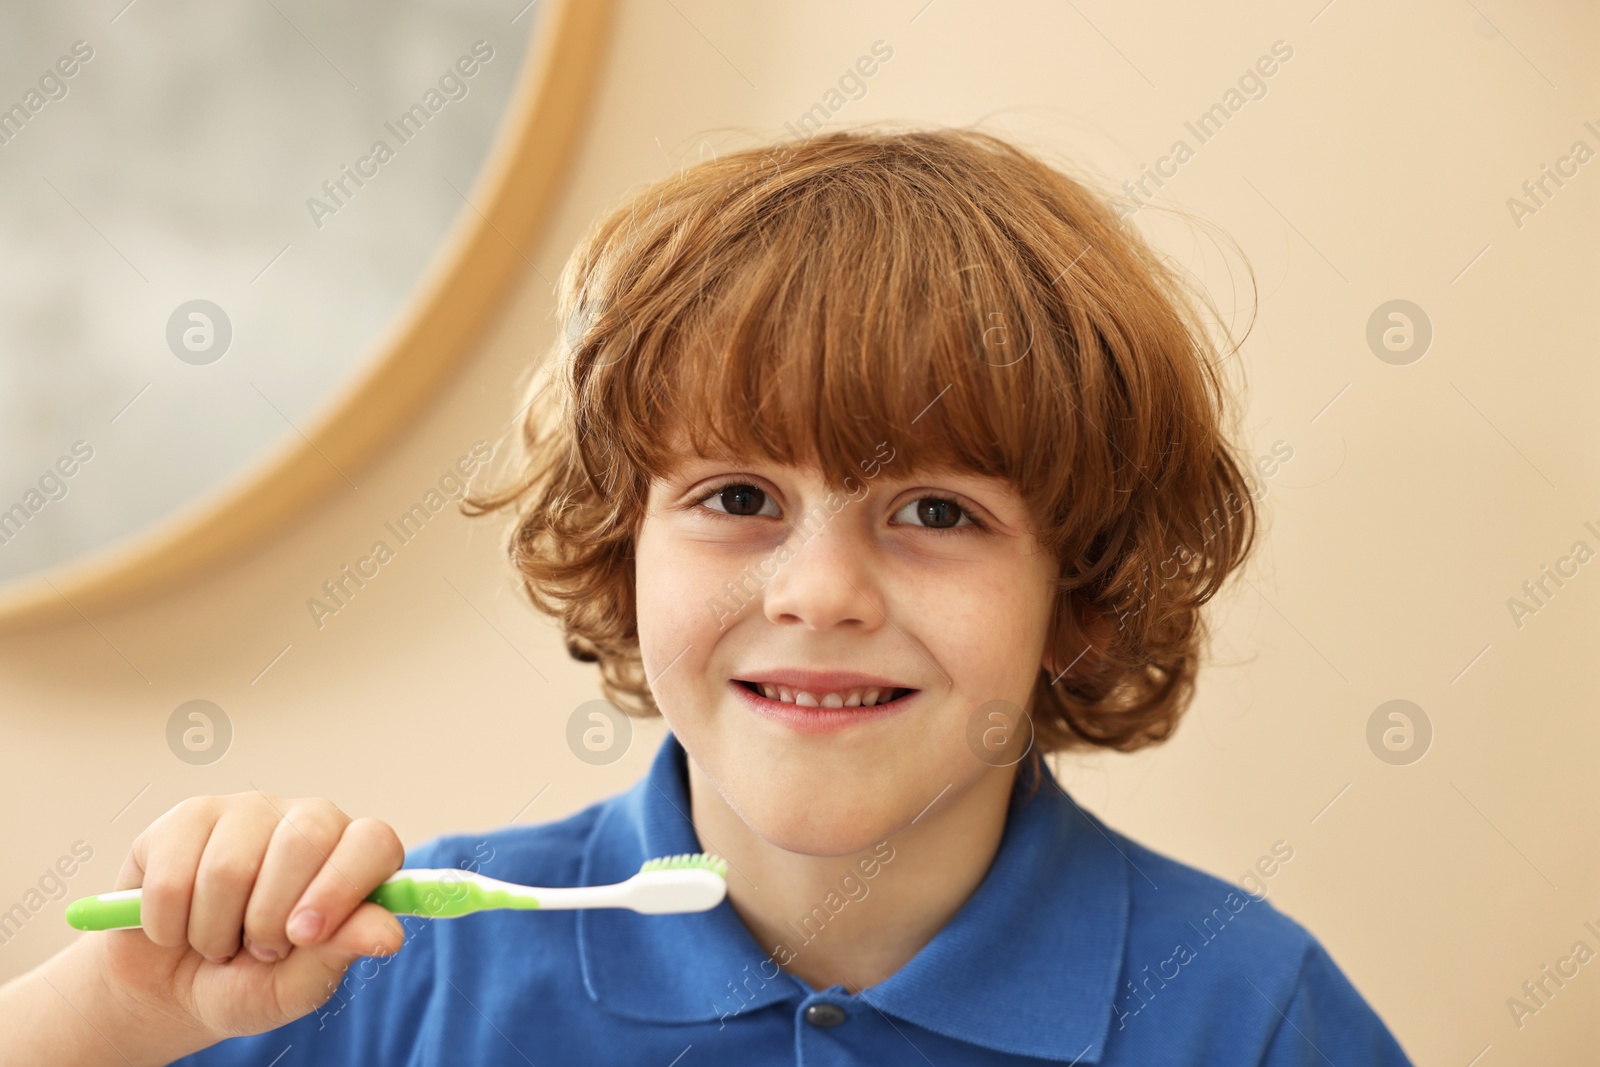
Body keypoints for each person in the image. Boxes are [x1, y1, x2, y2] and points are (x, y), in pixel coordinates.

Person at [0, 125, 1414, 1065]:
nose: (820, 592)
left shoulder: (1255, 1015)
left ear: (1083, 595)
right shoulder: (394, 980)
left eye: (936, 512)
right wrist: (116, 1019)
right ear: (622, 552)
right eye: (739, 500)